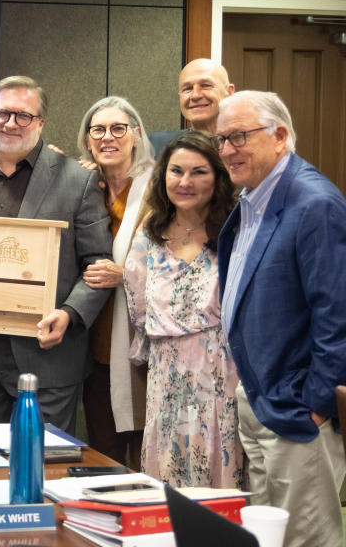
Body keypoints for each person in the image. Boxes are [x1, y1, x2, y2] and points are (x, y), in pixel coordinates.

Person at [0, 76, 112, 435]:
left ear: (41, 123)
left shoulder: (76, 179)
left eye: (23, 115)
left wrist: (70, 315)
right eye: (2, 113)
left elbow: (96, 263)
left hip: (48, 353)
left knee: (44, 466)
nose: (10, 123)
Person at [217, 91, 346, 547]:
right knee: (267, 537)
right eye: (222, 140)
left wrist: (316, 405)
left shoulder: (314, 203)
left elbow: (337, 315)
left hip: (297, 410)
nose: (228, 150)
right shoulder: (252, 198)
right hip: (259, 396)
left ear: (280, 136)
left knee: (305, 538)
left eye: (239, 137)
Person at [123, 131, 241, 488]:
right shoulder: (149, 232)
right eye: (176, 171)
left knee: (221, 483)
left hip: (222, 379)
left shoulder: (236, 230)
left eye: (199, 172)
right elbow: (139, 312)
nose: (185, 182)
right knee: (168, 486)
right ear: (163, 176)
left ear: (219, 178)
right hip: (165, 381)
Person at [76, 96, 154, 469]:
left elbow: (186, 264)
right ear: (88, 140)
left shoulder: (160, 189)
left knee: (144, 456)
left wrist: (127, 275)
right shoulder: (82, 186)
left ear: (136, 135)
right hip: (93, 349)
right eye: (98, 130)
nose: (108, 137)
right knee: (104, 458)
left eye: (118, 128)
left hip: (142, 351)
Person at [149, 58, 235, 154]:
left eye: (206, 85)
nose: (195, 95)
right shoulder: (157, 147)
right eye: (187, 88)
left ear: (229, 92)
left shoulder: (246, 145)